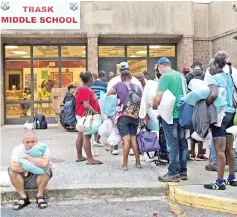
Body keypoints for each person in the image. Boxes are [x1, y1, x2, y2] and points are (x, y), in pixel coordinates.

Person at [153, 57, 188, 182]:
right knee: (182, 143)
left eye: (158, 68)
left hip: (170, 116)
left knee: (172, 144)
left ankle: (172, 173)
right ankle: (183, 171)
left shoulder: (165, 77)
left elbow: (158, 97)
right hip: (182, 114)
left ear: (160, 66)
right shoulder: (181, 76)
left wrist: (154, 106)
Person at [204, 56, 237, 190]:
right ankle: (232, 178)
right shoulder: (229, 77)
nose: (209, 68)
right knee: (230, 149)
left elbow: (213, 95)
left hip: (220, 115)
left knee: (219, 150)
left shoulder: (214, 78)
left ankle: (219, 182)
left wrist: (205, 104)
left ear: (217, 65)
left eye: (210, 65)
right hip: (231, 113)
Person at [107, 70, 142, 170]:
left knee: (126, 140)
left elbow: (109, 94)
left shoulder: (119, 85)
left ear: (122, 78)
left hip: (123, 116)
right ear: (131, 77)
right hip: (135, 116)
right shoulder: (137, 87)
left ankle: (125, 165)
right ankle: (138, 163)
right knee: (133, 140)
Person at [8, 131, 52, 210]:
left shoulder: (43, 147)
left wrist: (27, 157)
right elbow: (13, 166)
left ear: (37, 141)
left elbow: (45, 164)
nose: (30, 144)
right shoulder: (17, 150)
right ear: (23, 142)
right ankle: (23, 197)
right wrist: (36, 165)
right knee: (12, 171)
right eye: (27, 142)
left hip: (39, 178)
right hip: (23, 179)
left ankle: (40, 196)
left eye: (33, 142)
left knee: (46, 169)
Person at [75, 71, 103, 165]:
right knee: (86, 136)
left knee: (80, 136)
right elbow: (86, 105)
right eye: (92, 77)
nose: (93, 79)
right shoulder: (85, 89)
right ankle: (90, 159)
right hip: (86, 115)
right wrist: (95, 113)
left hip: (83, 115)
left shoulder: (85, 88)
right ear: (90, 79)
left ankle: (79, 156)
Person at [185, 61, 207, 161]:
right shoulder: (205, 75)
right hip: (203, 104)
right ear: (201, 67)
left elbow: (185, 90)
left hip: (191, 104)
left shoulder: (188, 76)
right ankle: (200, 153)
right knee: (202, 127)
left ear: (192, 67)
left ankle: (192, 153)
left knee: (192, 128)